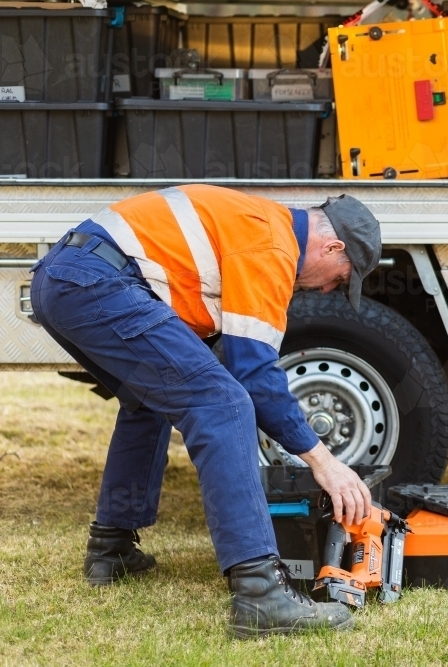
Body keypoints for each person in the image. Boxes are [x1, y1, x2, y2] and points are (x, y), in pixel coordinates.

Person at [29, 185, 382, 638]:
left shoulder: (262, 225)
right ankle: (260, 593)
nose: (330, 288)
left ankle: (110, 550)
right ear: (332, 246)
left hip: (63, 279)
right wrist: (324, 463)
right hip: (95, 282)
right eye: (341, 276)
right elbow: (253, 376)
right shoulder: (272, 245)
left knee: (151, 400)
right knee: (224, 402)